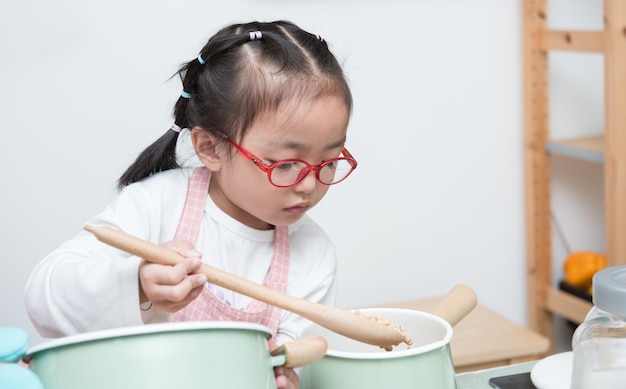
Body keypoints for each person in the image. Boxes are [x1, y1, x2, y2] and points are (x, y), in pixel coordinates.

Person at [25, 20, 356, 389]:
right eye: (286, 164)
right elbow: (43, 298)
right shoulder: (157, 204)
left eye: (329, 161)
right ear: (210, 148)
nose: (310, 184)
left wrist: (287, 374)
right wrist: (136, 284)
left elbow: (301, 353)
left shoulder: (313, 253)